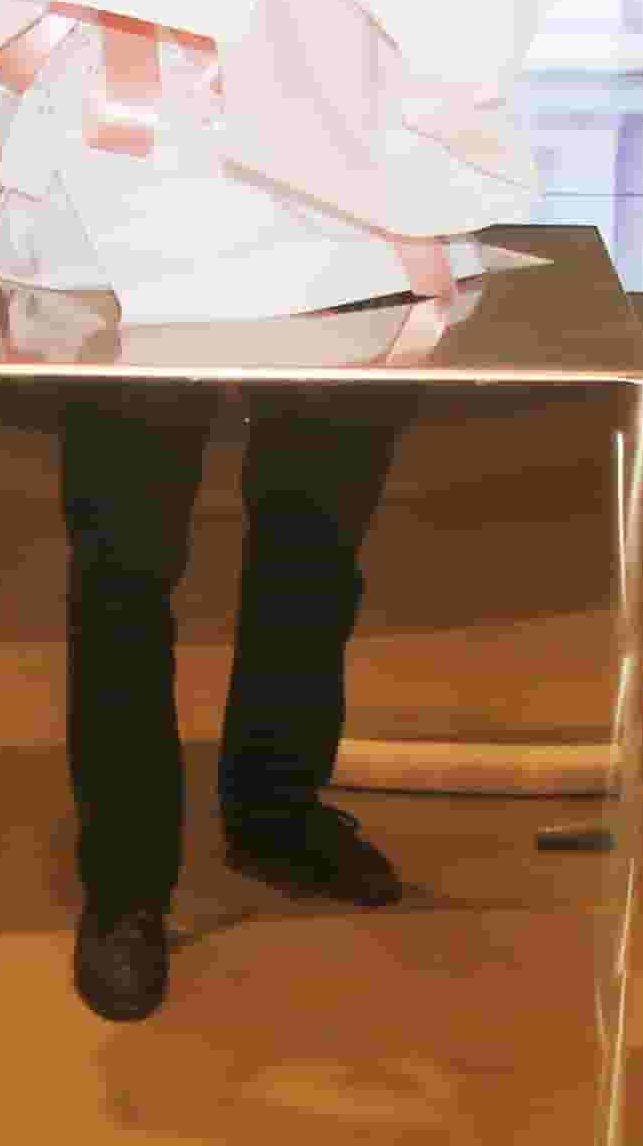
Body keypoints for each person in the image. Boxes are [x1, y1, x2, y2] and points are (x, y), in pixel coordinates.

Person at [57, 397, 404, 1021]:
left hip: (335, 337)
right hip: (135, 336)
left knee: (315, 549)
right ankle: (125, 881)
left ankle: (274, 810)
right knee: (121, 570)